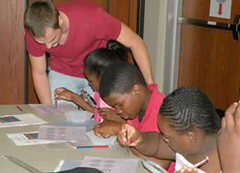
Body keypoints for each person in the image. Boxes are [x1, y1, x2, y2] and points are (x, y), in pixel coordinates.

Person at [24, 0, 154, 104]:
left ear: (59, 21)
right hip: (62, 73)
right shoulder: (33, 34)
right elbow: (39, 73)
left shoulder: (92, 17)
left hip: (98, 74)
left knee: (104, 121)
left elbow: (135, 42)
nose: (48, 46)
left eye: (52, 39)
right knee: (59, 123)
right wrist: (49, 110)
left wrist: (150, 87)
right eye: (42, 43)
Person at [117, 86, 223, 173]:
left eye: (167, 137)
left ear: (190, 137)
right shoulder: (186, 148)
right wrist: (140, 138)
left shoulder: (228, 164)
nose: (164, 139)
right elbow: (157, 145)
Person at [93, 61, 170, 169]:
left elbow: (159, 166)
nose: (118, 111)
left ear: (136, 90)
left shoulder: (164, 112)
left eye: (119, 104)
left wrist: (119, 130)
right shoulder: (135, 109)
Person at [54, 40, 128, 123]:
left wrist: (118, 118)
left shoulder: (124, 99)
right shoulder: (98, 95)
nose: (89, 84)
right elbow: (96, 113)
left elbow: (135, 127)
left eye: (90, 81)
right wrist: (73, 97)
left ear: (104, 77)